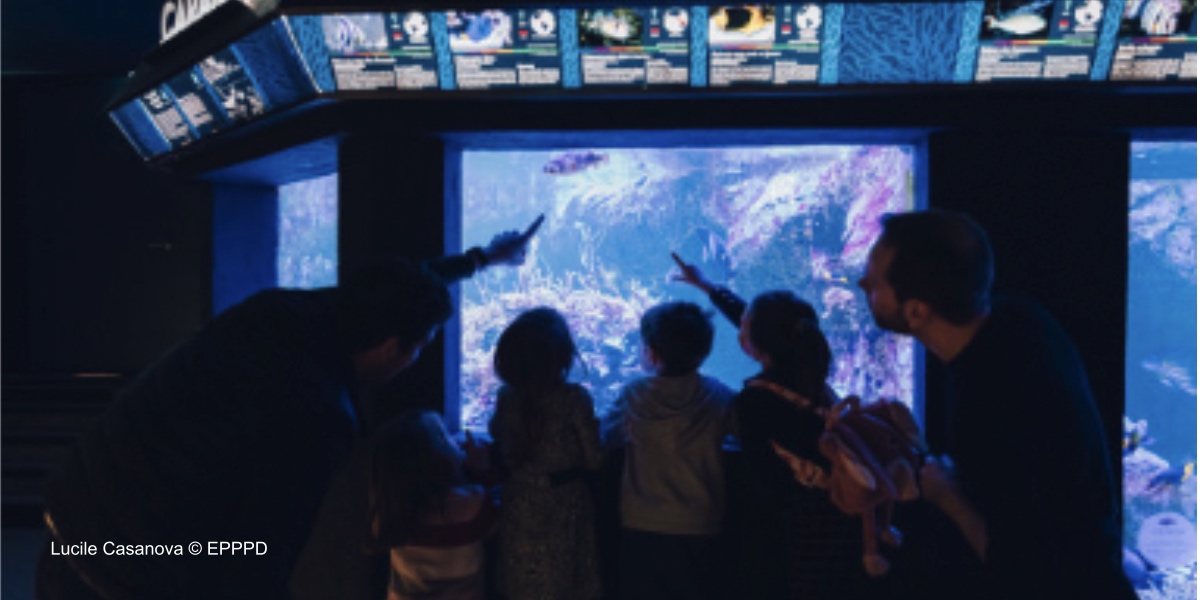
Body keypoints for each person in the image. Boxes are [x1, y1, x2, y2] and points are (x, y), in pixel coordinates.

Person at [35, 216, 544, 600]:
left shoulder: (280, 310)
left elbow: (391, 290)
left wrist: (481, 259)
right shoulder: (318, 417)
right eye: (420, 346)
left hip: (77, 505)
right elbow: (256, 560)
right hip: (127, 564)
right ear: (393, 347)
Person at [855, 209, 1136, 600]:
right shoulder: (1023, 321)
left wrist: (948, 494)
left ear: (917, 311)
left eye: (874, 282)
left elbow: (1024, 571)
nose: (862, 282)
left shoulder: (990, 404)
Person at [672, 255, 874, 600]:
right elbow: (764, 326)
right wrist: (707, 286)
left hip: (793, 536)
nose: (740, 328)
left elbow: (764, 481)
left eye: (744, 326)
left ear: (754, 343)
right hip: (839, 522)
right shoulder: (810, 377)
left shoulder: (756, 402)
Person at [603, 301, 735, 600]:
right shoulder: (717, 395)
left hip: (642, 521)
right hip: (701, 522)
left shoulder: (634, 394)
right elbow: (743, 431)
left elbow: (606, 438)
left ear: (650, 353)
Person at [487, 307, 604, 600]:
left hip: (518, 502)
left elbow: (497, 435)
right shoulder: (573, 398)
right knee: (564, 583)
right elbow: (595, 459)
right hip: (566, 506)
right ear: (562, 355)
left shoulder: (506, 397)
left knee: (520, 582)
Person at [368, 411, 497, 600]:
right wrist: (481, 469)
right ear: (438, 455)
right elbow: (495, 524)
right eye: (446, 436)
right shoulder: (472, 504)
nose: (456, 441)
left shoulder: (393, 510)